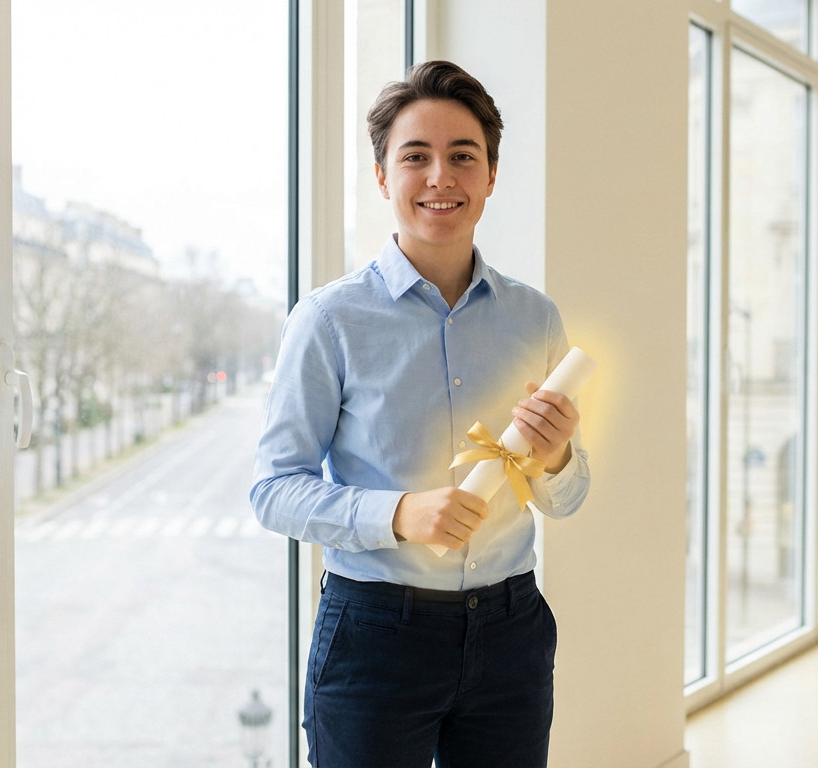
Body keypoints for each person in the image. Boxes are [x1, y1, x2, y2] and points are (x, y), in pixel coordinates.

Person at [250, 59, 590, 768]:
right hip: (376, 636)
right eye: (416, 157)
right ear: (383, 176)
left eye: (463, 156)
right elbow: (273, 491)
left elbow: (568, 497)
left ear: (491, 176)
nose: (442, 177)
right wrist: (400, 514)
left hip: (511, 629)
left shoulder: (535, 317)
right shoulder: (329, 320)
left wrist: (557, 460)